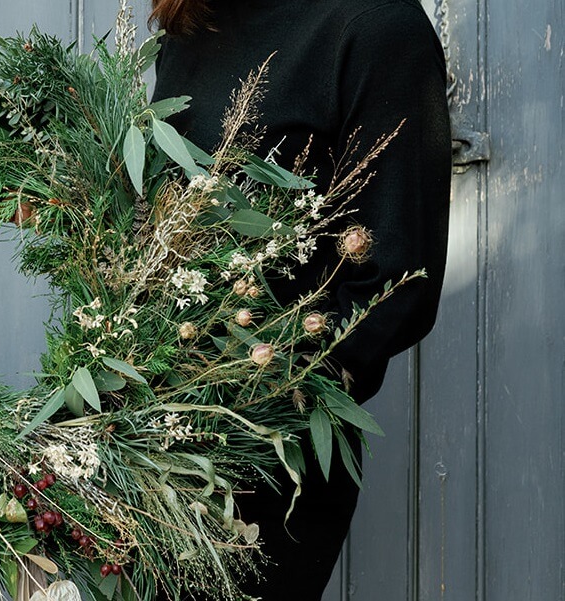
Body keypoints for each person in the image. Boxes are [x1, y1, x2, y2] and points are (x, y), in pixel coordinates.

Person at [150, 0, 451, 598]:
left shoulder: (375, 25)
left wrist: (237, 393)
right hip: (139, 417)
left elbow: (396, 286)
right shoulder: (194, 20)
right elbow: (159, 217)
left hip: (263, 446)